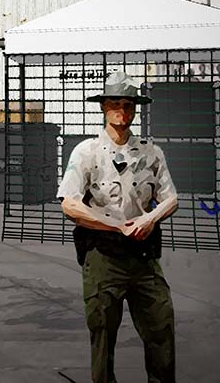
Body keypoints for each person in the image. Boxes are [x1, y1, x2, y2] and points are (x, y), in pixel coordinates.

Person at [57, 70, 178, 383]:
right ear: (103, 106)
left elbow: (171, 198)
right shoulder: (86, 152)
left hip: (143, 257)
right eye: (114, 103)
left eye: (128, 104)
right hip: (103, 258)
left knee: (161, 330)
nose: (121, 110)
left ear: (135, 108)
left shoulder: (152, 153)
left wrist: (149, 219)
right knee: (102, 337)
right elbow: (69, 203)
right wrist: (115, 226)